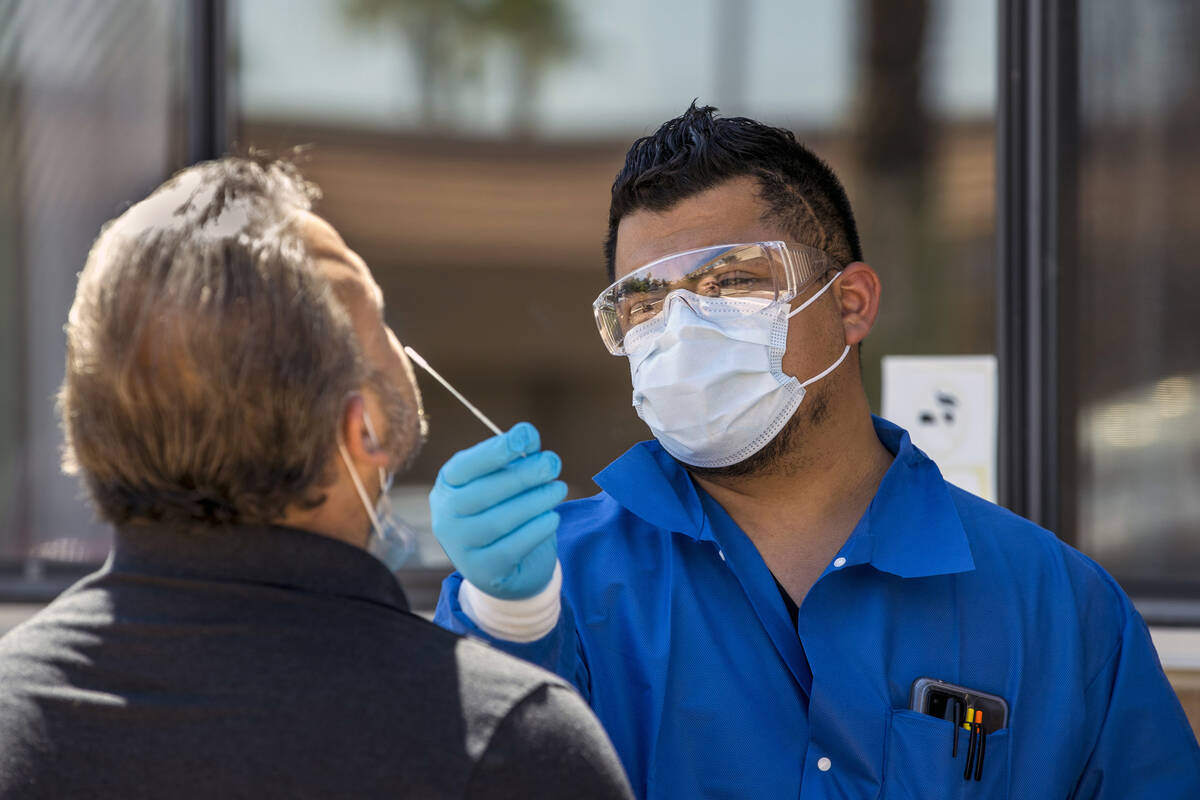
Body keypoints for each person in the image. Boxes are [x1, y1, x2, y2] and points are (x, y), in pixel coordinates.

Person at [431, 105, 1200, 798]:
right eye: (644, 302)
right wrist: (509, 617)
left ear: (851, 303)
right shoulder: (547, 585)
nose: (680, 329)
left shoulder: (1058, 608)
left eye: (730, 280)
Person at [0, 157, 633, 800]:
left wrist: (512, 617)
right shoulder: (515, 748)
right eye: (380, 317)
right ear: (360, 429)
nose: (400, 345)